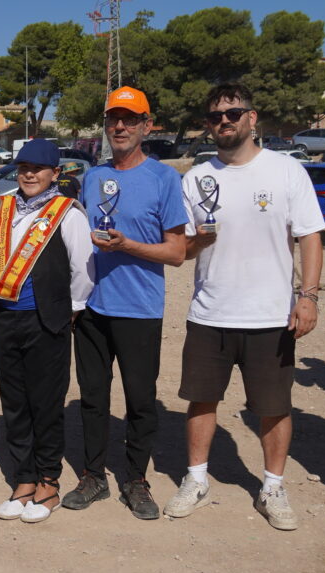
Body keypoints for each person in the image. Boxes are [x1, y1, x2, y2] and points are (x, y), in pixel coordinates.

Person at [163, 84, 325, 531]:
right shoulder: (196, 177)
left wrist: (308, 297)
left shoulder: (287, 171)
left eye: (233, 114)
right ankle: (196, 478)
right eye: (215, 117)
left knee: (274, 406)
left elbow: (310, 235)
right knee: (201, 400)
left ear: (252, 118)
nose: (224, 122)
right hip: (210, 313)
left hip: (271, 314)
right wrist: (198, 240)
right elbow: (185, 249)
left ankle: (272, 485)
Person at [64, 87, 187, 519]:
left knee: (140, 400)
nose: (120, 126)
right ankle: (93, 476)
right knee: (94, 399)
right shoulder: (93, 177)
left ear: (146, 126)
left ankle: (135, 480)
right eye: (114, 118)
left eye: (130, 119)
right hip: (93, 309)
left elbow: (176, 252)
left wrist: (129, 246)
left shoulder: (165, 179)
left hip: (139, 310)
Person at [0, 138, 93, 524]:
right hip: (4, 318)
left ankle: (48, 481)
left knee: (45, 404)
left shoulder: (68, 213)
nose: (29, 174)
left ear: (54, 173)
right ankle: (24, 478)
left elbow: (83, 270)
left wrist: (70, 311)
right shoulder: (5, 207)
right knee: (14, 403)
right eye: (23, 167)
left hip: (45, 321)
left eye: (38, 168)